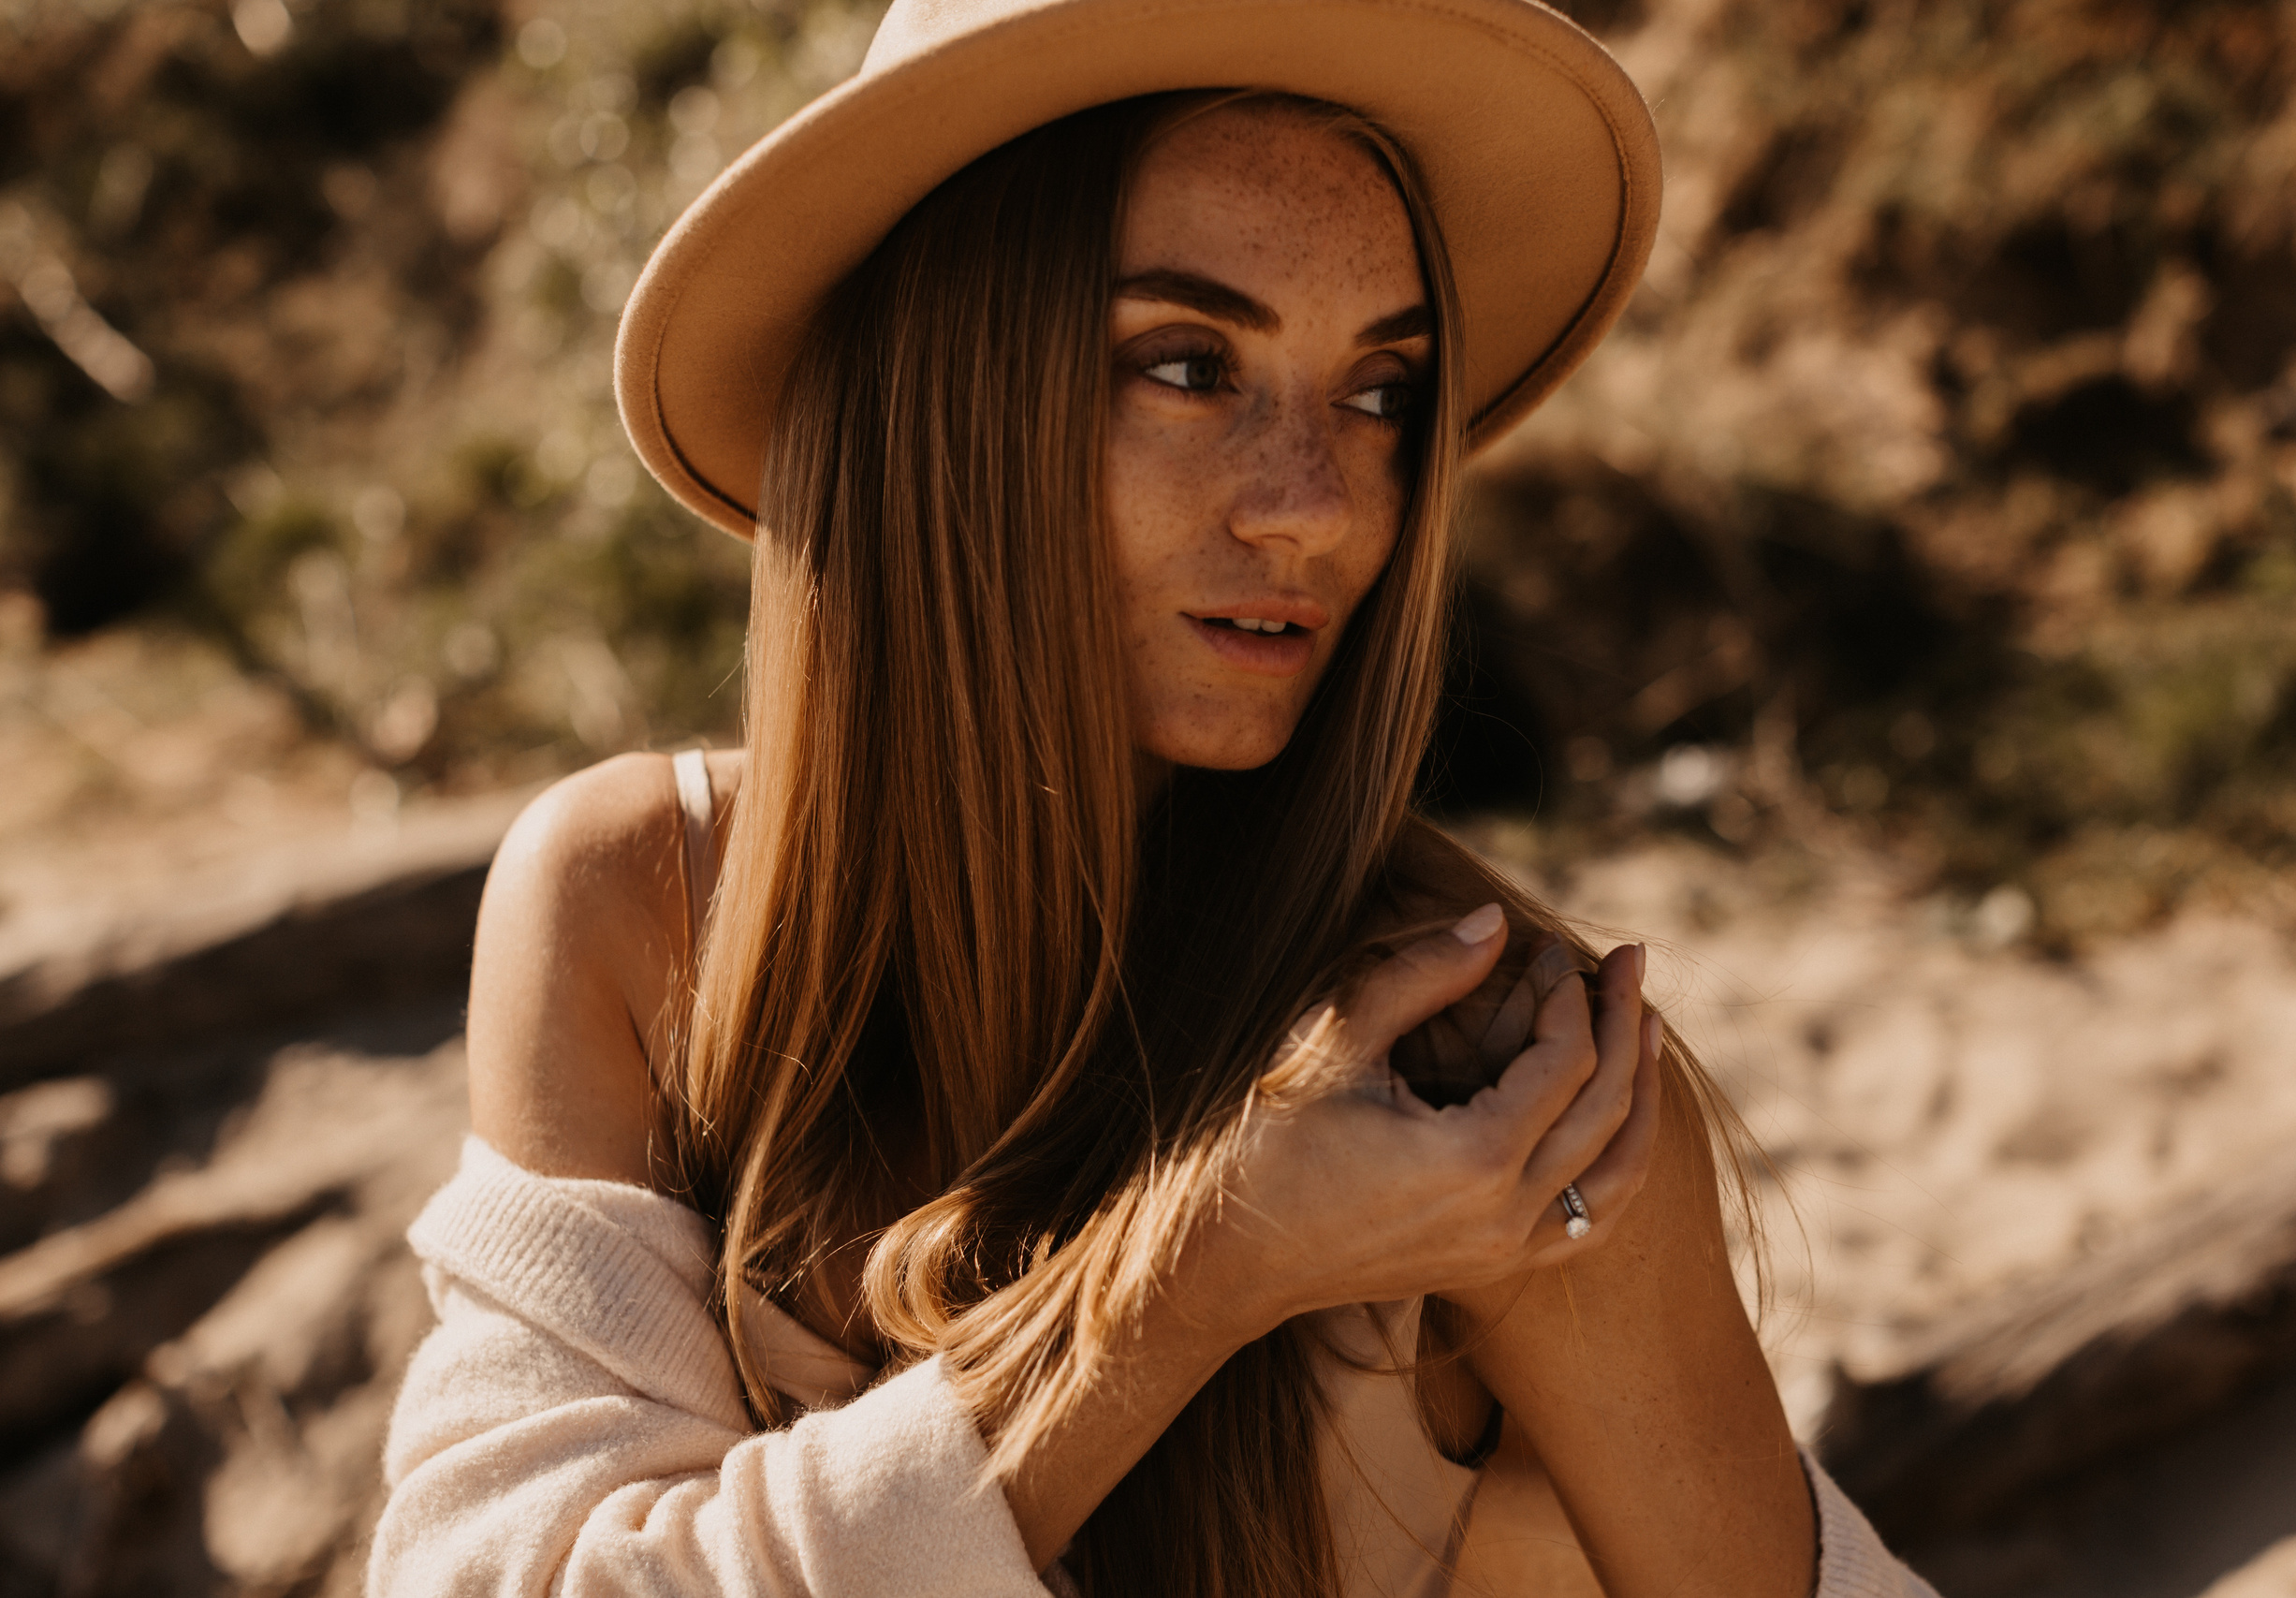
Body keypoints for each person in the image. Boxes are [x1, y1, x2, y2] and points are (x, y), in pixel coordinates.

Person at [370, 0, 1938, 1593]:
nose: (1317, 511)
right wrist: (1201, 1273)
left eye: (1381, 393)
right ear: (943, 395)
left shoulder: (1480, 1075)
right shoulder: (647, 904)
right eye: (1191, 365)